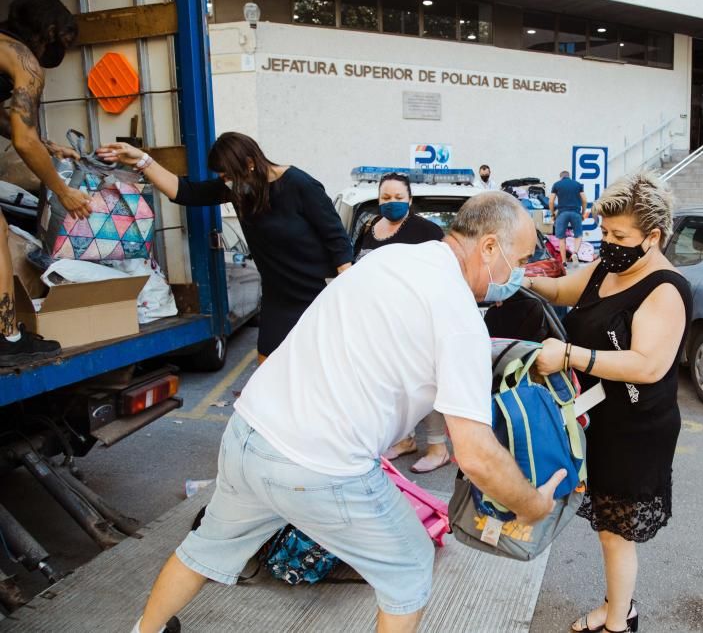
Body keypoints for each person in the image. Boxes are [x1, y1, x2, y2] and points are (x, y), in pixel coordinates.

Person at [130, 192, 565, 633]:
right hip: (321, 467)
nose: (522, 273)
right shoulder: (459, 317)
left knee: (207, 547)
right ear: (489, 247)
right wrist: (531, 506)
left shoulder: (390, 258)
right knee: (410, 565)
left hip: (251, 433)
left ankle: (144, 630)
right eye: (522, 258)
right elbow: (476, 455)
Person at [525, 172, 691, 633]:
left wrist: (571, 355)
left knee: (617, 533)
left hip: (637, 427)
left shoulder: (664, 289)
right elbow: (562, 291)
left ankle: (618, 623)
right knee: (607, 527)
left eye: (620, 236)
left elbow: (646, 366)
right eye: (606, 233)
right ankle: (617, 605)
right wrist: (520, 281)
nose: (609, 243)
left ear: (653, 236)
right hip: (599, 417)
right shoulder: (607, 268)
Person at [97, 133, 353, 363]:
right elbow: (185, 192)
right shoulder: (241, 189)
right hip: (278, 297)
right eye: (222, 178)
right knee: (268, 364)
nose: (226, 183)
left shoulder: (300, 184)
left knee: (321, 363)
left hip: (318, 292)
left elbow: (336, 238)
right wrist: (141, 159)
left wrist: (345, 290)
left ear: (250, 163)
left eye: (228, 176)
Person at [0, 0, 91, 366]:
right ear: (50, 31)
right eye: (65, 41)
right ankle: (7, 338)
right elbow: (23, 139)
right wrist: (63, 190)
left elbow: (15, 129)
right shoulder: (26, 62)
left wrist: (46, 144)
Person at [355, 172, 451, 474]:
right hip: (378, 324)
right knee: (392, 386)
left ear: (409, 200)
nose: (392, 203)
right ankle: (405, 439)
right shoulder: (371, 229)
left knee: (422, 385)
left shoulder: (426, 231)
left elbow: (447, 271)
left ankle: (438, 448)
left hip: (414, 323)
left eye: (398, 198)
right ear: (378, 199)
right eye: (386, 198)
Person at [549, 170, 587, 265]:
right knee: (578, 235)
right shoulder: (577, 184)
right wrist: (582, 213)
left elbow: (551, 201)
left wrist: (552, 214)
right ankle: (575, 253)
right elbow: (584, 200)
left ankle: (564, 261)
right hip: (575, 213)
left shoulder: (557, 184)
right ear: (569, 176)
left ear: (561, 177)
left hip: (562, 213)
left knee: (561, 238)